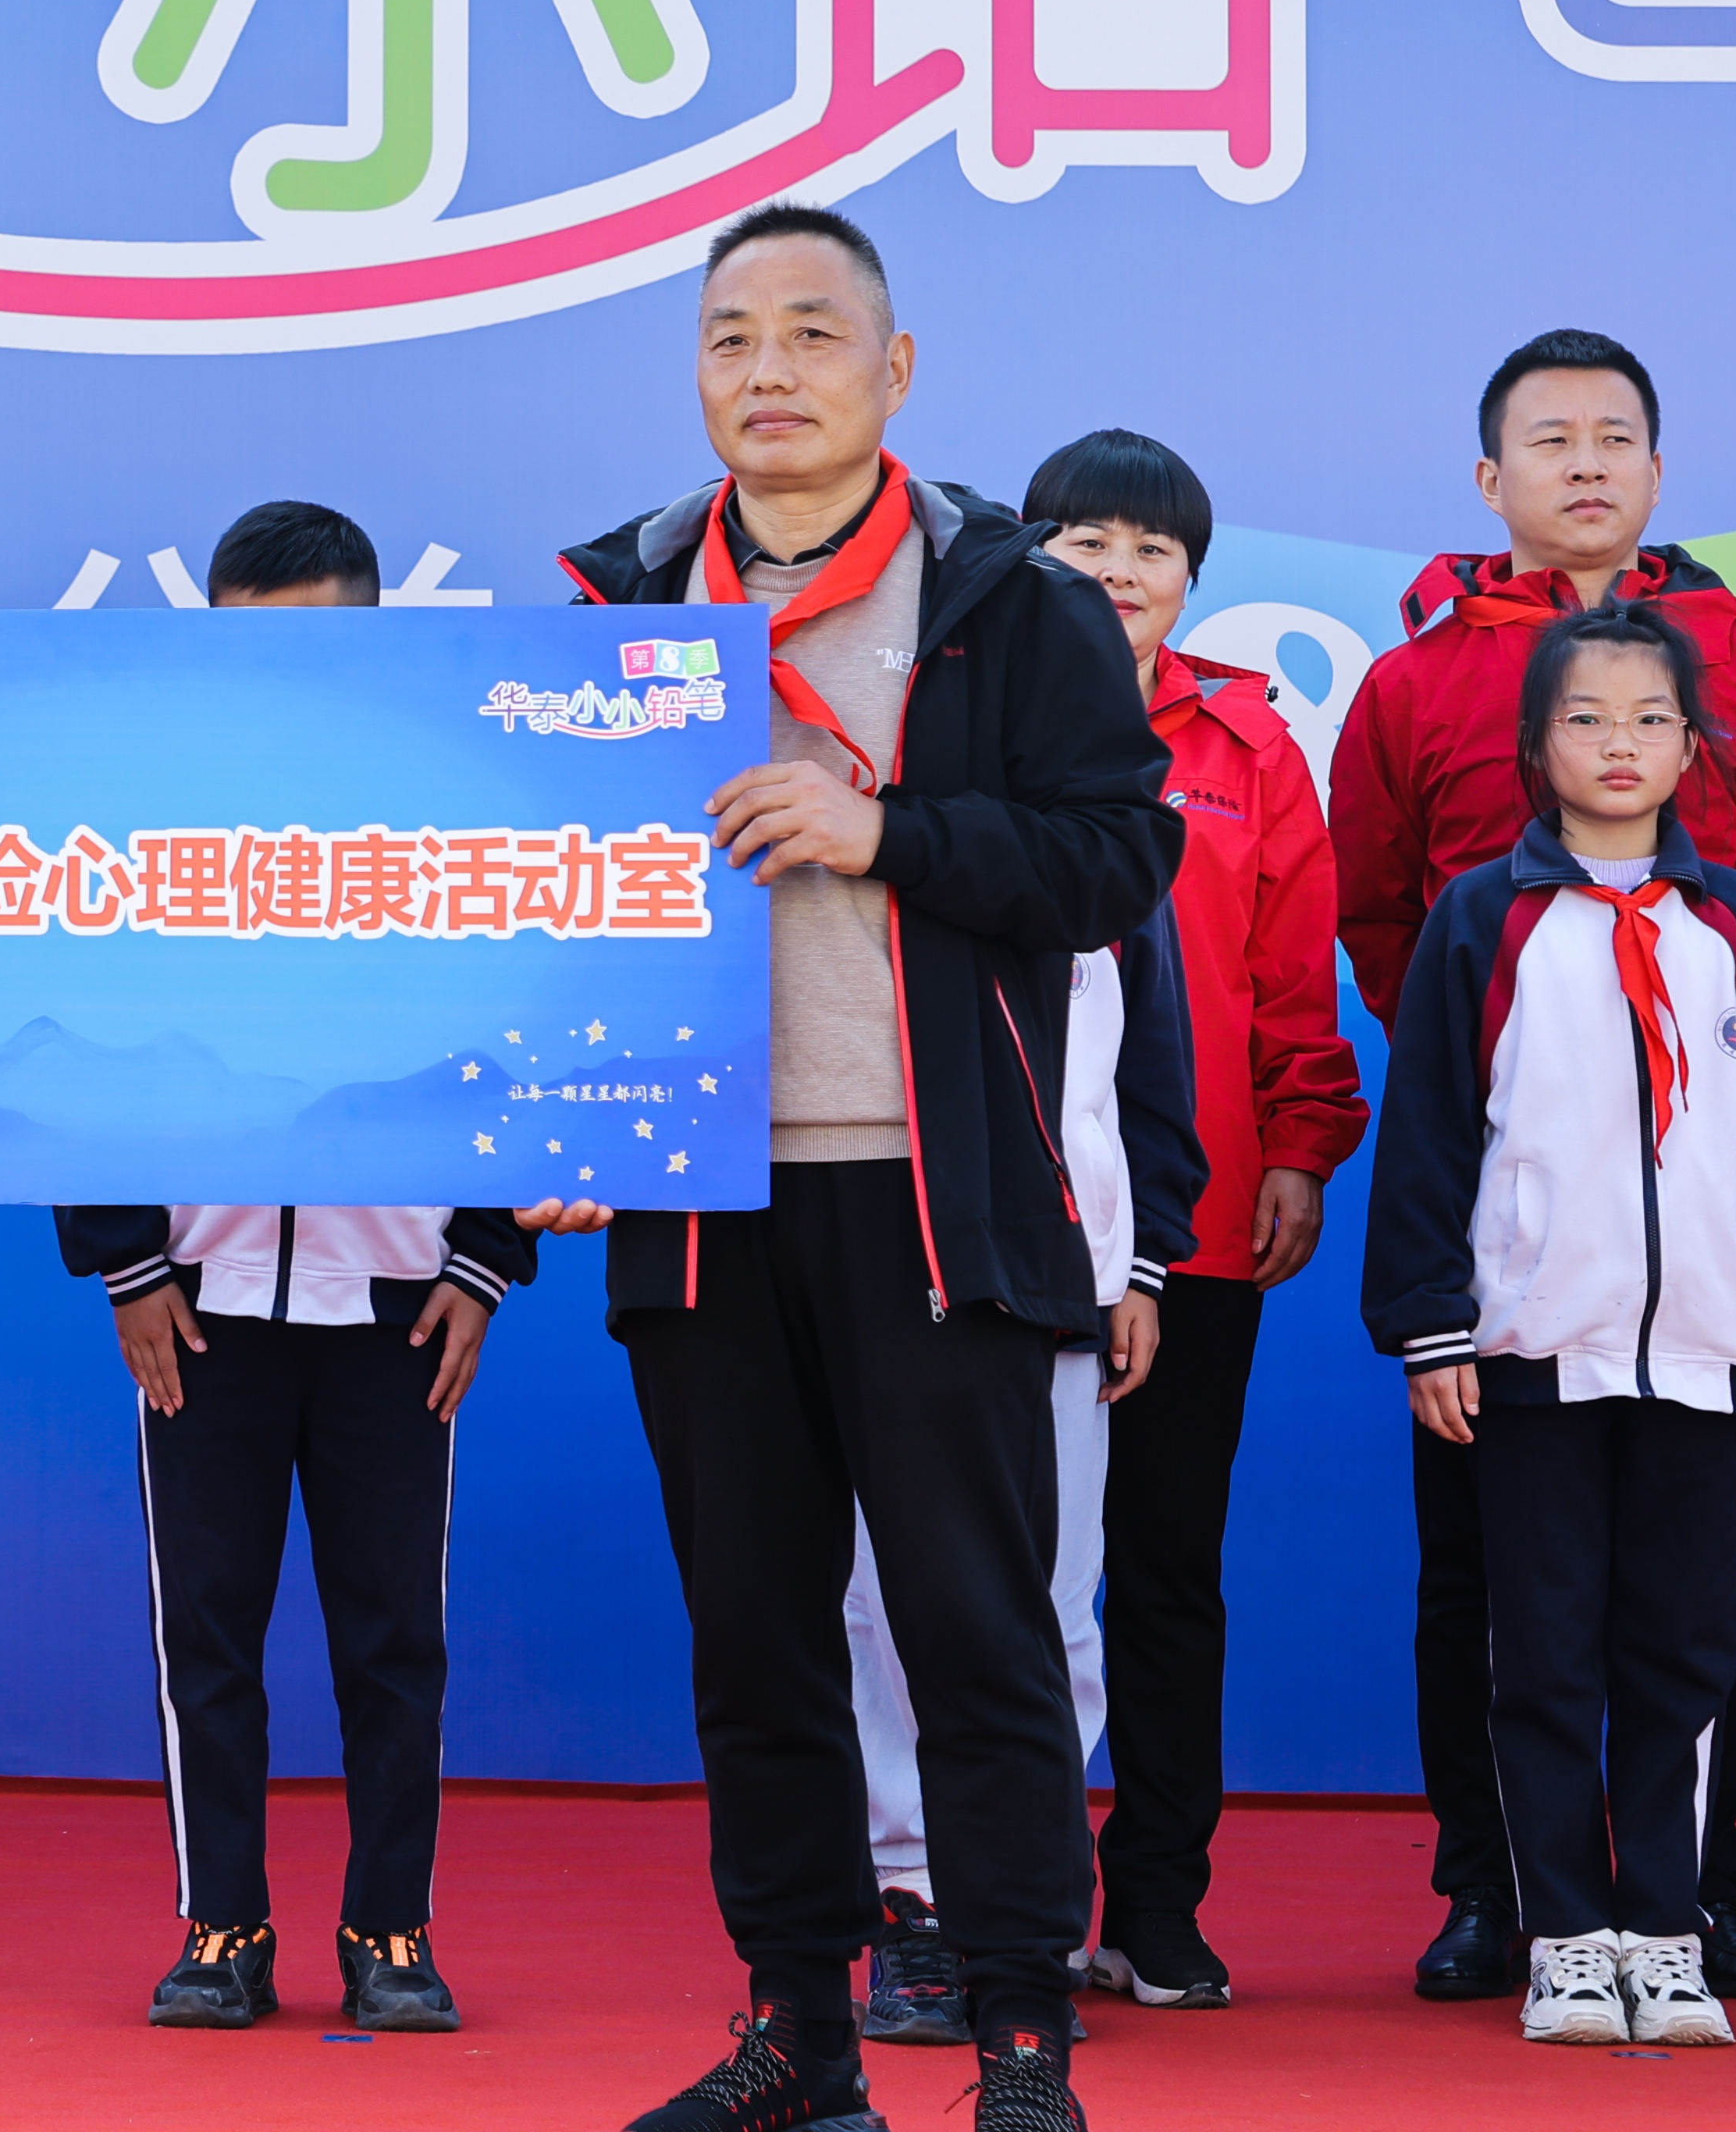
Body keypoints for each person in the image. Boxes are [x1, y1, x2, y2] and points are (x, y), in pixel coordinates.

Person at [551, 203, 1182, 2132]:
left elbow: (1116, 861)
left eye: (812, 333)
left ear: (893, 370)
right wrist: (558, 1120)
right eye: (731, 335)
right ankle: (800, 2039)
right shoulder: (617, 608)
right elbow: (543, 897)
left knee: (978, 1634)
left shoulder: (1012, 598)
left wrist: (883, 829)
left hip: (936, 1192)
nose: (769, 370)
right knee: (753, 1643)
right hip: (700, 1207)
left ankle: (1019, 2043)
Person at [1329, 328, 1736, 2004]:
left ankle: (1696, 1897)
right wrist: (1513, 1072)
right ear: (1493, 477)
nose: (1588, 465)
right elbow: (1379, 912)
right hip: (1515, 1231)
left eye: (1617, 437)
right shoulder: (1415, 680)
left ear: (1659, 471)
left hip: (1690, 1246)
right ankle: (1501, 1893)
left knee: (1693, 1606)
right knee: (1490, 1599)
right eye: (1552, 440)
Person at [42, 500, 529, 2040]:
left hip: (399, 1306)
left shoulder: (459, 818)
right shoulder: (147, 829)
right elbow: (72, 1033)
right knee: (209, 1634)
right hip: (201, 1299)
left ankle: (392, 1928)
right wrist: (125, 1262)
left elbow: (532, 1024)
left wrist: (485, 1257)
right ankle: (224, 1926)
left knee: (396, 1637)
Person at [1026, 432, 1368, 2007]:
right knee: (1002, 1578)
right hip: (1003, 1216)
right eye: (1085, 541)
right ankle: (1006, 1900)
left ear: (1192, 578)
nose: (1118, 571)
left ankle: (1157, 1905)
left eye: (1150, 549)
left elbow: (1295, 973)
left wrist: (1301, 1143)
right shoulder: (965, 720)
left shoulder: (1247, 743)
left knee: (1165, 1571)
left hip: (1194, 1224)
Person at [842, 902, 1201, 2048]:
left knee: (1053, 1611)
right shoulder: (877, 853)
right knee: (887, 1605)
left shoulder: (1111, 870)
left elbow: (1151, 1084)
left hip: (1062, 1290)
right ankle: (913, 1898)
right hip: (899, 1280)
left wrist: (1141, 1266)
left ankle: (1025, 1912)